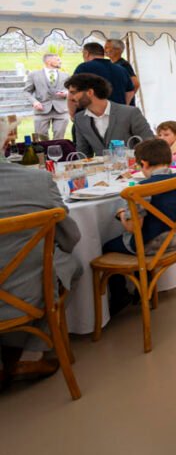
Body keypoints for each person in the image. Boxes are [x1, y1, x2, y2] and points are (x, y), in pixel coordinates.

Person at [0, 116, 81, 389]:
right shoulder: (37, 181)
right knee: (71, 265)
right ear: (6, 142)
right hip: (26, 292)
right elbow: (70, 238)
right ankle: (32, 354)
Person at [102, 138, 176, 316]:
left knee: (107, 246)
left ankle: (121, 296)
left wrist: (120, 214)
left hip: (152, 246)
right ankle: (143, 289)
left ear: (143, 163)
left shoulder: (141, 189)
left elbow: (132, 227)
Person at [65, 73, 153, 157]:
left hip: (133, 170)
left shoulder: (130, 113)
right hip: (99, 171)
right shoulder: (80, 118)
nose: (70, 97)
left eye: (73, 92)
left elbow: (150, 144)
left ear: (90, 92)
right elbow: (83, 154)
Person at [71, 42, 134, 109]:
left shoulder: (83, 68)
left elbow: (73, 91)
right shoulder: (122, 69)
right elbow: (130, 92)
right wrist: (122, 107)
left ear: (86, 53)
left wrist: (73, 113)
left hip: (93, 113)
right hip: (117, 114)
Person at [24, 53, 69, 141]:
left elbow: (72, 90)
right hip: (41, 109)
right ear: (49, 61)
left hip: (61, 110)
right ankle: (45, 153)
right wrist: (35, 102)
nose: (60, 61)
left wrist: (66, 93)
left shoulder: (66, 75)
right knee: (41, 136)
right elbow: (26, 91)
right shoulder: (34, 75)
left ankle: (56, 153)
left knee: (59, 138)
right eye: (58, 60)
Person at [104, 38, 140, 107]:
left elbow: (136, 84)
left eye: (107, 47)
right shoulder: (114, 64)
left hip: (123, 107)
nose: (104, 50)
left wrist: (125, 103)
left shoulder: (123, 65)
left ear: (117, 50)